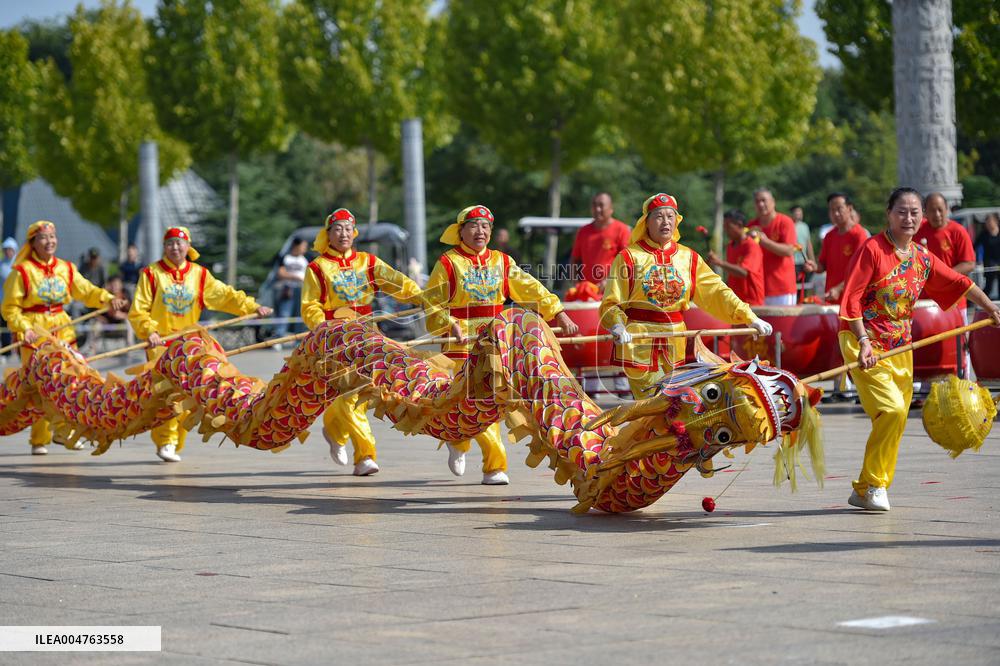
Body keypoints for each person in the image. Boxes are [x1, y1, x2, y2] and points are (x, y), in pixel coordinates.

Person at [838, 187, 1000, 512]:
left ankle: (866, 487)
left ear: (922, 217)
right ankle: (875, 485)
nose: (908, 218)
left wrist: (990, 307)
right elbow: (851, 297)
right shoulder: (872, 250)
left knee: (895, 420)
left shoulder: (921, 258)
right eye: (902, 211)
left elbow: (958, 282)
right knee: (893, 410)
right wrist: (864, 342)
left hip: (900, 346)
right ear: (888, 213)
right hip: (863, 342)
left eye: (914, 212)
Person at [424, 204, 580, 485]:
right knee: (470, 401)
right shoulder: (448, 262)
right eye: (473, 225)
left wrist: (558, 312)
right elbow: (431, 303)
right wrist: (448, 322)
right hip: (462, 342)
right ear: (461, 231)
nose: (480, 231)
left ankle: (489, 463)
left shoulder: (502, 262)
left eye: (485, 226)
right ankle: (464, 446)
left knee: (491, 402)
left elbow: (530, 288)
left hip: (495, 340)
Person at [601, 194, 772, 399]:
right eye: (658, 217)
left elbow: (716, 291)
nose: (665, 222)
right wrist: (617, 324)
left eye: (670, 216)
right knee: (651, 405)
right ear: (646, 222)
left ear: (676, 221)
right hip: (639, 340)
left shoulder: (688, 258)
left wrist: (748, 316)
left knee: (675, 405)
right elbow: (611, 301)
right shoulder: (628, 257)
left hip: (675, 341)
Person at [128, 226, 271, 463]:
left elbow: (225, 295)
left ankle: (176, 442)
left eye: (180, 243)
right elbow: (139, 309)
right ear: (164, 247)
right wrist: (148, 330)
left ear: (188, 246)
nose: (175, 247)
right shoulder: (151, 274)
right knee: (166, 395)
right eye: (170, 243)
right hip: (161, 344)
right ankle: (166, 441)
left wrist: (251, 307)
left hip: (189, 345)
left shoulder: (199, 274)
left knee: (187, 393)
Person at [301, 208, 426, 477]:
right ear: (328, 234)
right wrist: (321, 325)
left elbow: (396, 282)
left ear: (354, 233)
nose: (343, 234)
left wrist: (420, 296)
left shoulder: (368, 262)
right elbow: (310, 305)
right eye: (337, 229)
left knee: (364, 395)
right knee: (348, 395)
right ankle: (365, 456)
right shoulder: (317, 268)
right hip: (336, 338)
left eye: (348, 229)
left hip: (368, 335)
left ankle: (334, 430)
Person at [1, 221, 127, 455]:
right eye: (43, 238)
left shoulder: (66, 268)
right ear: (32, 243)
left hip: (63, 331)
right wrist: (23, 327)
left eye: (52, 236)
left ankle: (65, 429)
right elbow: (9, 309)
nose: (49, 242)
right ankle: (41, 438)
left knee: (71, 379)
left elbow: (87, 291)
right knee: (42, 386)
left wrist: (108, 299)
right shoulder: (22, 272)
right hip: (35, 335)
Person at [805, 193, 869, 304]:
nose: (835, 213)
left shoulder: (859, 235)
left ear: (849, 209)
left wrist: (839, 289)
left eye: (839, 209)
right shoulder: (829, 236)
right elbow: (822, 265)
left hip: (853, 300)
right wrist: (814, 266)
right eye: (832, 210)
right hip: (832, 297)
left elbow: (859, 271)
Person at [569, 192, 631, 292]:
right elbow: (574, 260)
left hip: (613, 292)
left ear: (611, 208)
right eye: (594, 205)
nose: (597, 209)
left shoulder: (622, 230)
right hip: (587, 293)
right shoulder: (583, 231)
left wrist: (610, 280)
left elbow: (627, 262)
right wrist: (576, 284)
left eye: (601, 205)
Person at [747, 188, 799, 305]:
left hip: (782, 289)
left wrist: (765, 242)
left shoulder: (785, 222)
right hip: (758, 289)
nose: (761, 204)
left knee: (783, 323)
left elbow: (789, 251)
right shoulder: (751, 226)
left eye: (764, 200)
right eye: (757, 201)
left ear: (773, 202)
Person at [707, 209, 765, 306]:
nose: (725, 230)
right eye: (724, 226)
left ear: (739, 224)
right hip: (736, 302)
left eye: (728, 226)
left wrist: (719, 262)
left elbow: (743, 272)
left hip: (752, 302)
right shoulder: (731, 246)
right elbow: (732, 274)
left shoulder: (751, 246)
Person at [273, 237, 309, 340]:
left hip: (302, 289)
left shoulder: (306, 257)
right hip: (288, 288)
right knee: (285, 313)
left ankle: (299, 339)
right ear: (296, 245)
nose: (305, 248)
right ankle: (279, 337)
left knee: (300, 314)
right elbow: (281, 273)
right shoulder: (285, 257)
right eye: (303, 246)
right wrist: (295, 277)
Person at [790, 205, 815, 293]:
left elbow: (808, 244)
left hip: (803, 261)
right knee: (794, 287)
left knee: (804, 287)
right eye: (796, 212)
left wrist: (812, 261)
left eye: (800, 212)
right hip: (792, 262)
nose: (798, 214)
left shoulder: (805, 226)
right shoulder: (789, 226)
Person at [975, 213, 1000, 299]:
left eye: (990, 221)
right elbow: (974, 246)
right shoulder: (983, 235)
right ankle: (981, 301)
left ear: (996, 222)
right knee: (988, 287)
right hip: (989, 264)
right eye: (987, 222)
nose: (988, 224)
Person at [0, 238, 18, 352]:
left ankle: (21, 352)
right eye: (5, 249)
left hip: (17, 302)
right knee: (4, 327)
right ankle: (6, 352)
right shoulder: (1, 265)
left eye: (10, 249)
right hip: (2, 301)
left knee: (18, 327)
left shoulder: (19, 264)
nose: (8, 252)